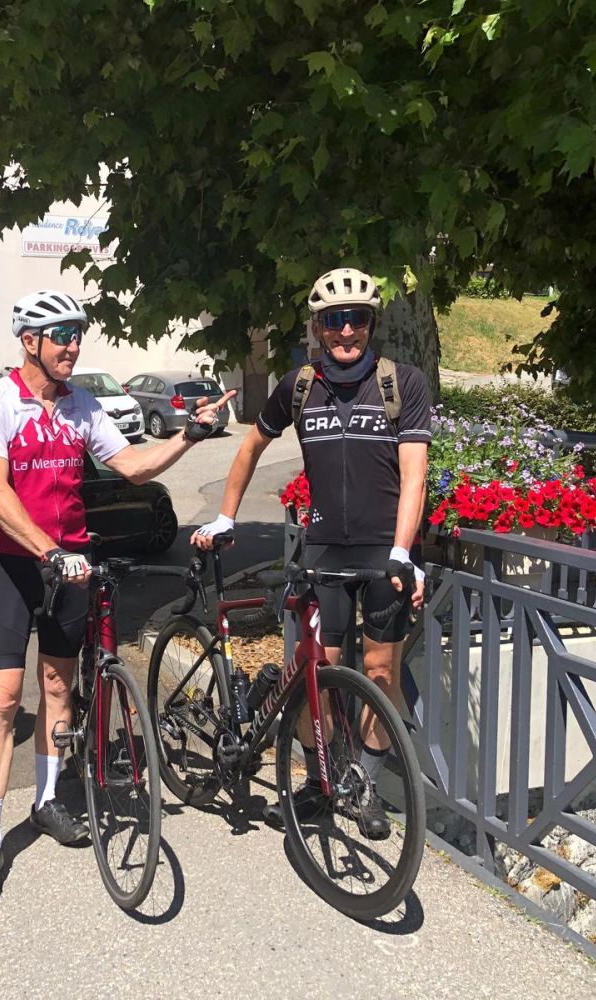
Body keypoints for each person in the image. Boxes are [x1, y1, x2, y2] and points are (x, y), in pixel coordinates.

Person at [0, 289, 236, 899]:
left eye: (78, 334)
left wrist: (190, 435)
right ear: (30, 341)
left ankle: (46, 801)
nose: (73, 345)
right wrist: (48, 551)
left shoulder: (81, 405)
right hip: (14, 564)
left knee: (59, 687)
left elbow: (132, 466)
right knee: (2, 699)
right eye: (62, 335)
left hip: (71, 566)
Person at [192, 267, 430, 839]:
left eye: (358, 319)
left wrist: (403, 551)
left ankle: (364, 785)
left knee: (380, 671)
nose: (347, 331)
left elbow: (415, 475)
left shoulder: (402, 383)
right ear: (319, 327)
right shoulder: (300, 386)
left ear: (371, 323)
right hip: (322, 550)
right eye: (335, 320)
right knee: (315, 675)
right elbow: (251, 446)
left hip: (384, 554)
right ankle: (320, 784)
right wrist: (226, 514)